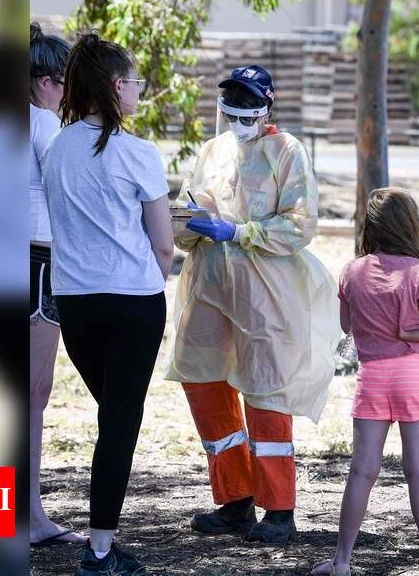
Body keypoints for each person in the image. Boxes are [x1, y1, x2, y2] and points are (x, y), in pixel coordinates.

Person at [166, 65, 340, 544]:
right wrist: (186, 223)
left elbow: (300, 223)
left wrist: (242, 232)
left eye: (246, 111)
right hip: (209, 286)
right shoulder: (212, 150)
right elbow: (189, 206)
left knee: (266, 392)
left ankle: (279, 508)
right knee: (205, 384)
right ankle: (235, 499)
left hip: (265, 292)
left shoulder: (287, 151)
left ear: (266, 109)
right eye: (229, 111)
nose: (236, 120)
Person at [42, 34, 173, 575]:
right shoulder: (138, 152)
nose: (139, 89)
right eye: (136, 80)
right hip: (132, 302)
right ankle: (98, 552)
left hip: (74, 304)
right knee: (119, 424)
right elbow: (164, 242)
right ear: (117, 85)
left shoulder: (56, 147)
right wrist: (152, 283)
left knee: (112, 416)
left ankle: (101, 542)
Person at [311, 187, 419, 576]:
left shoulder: (352, 270)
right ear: (410, 226)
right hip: (412, 377)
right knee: (418, 471)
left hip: (372, 378)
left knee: (362, 471)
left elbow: (347, 324)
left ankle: (342, 561)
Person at [28, 22, 87, 548]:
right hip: (35, 263)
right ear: (46, 81)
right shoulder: (44, 126)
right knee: (29, 394)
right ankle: (26, 515)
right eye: (66, 82)